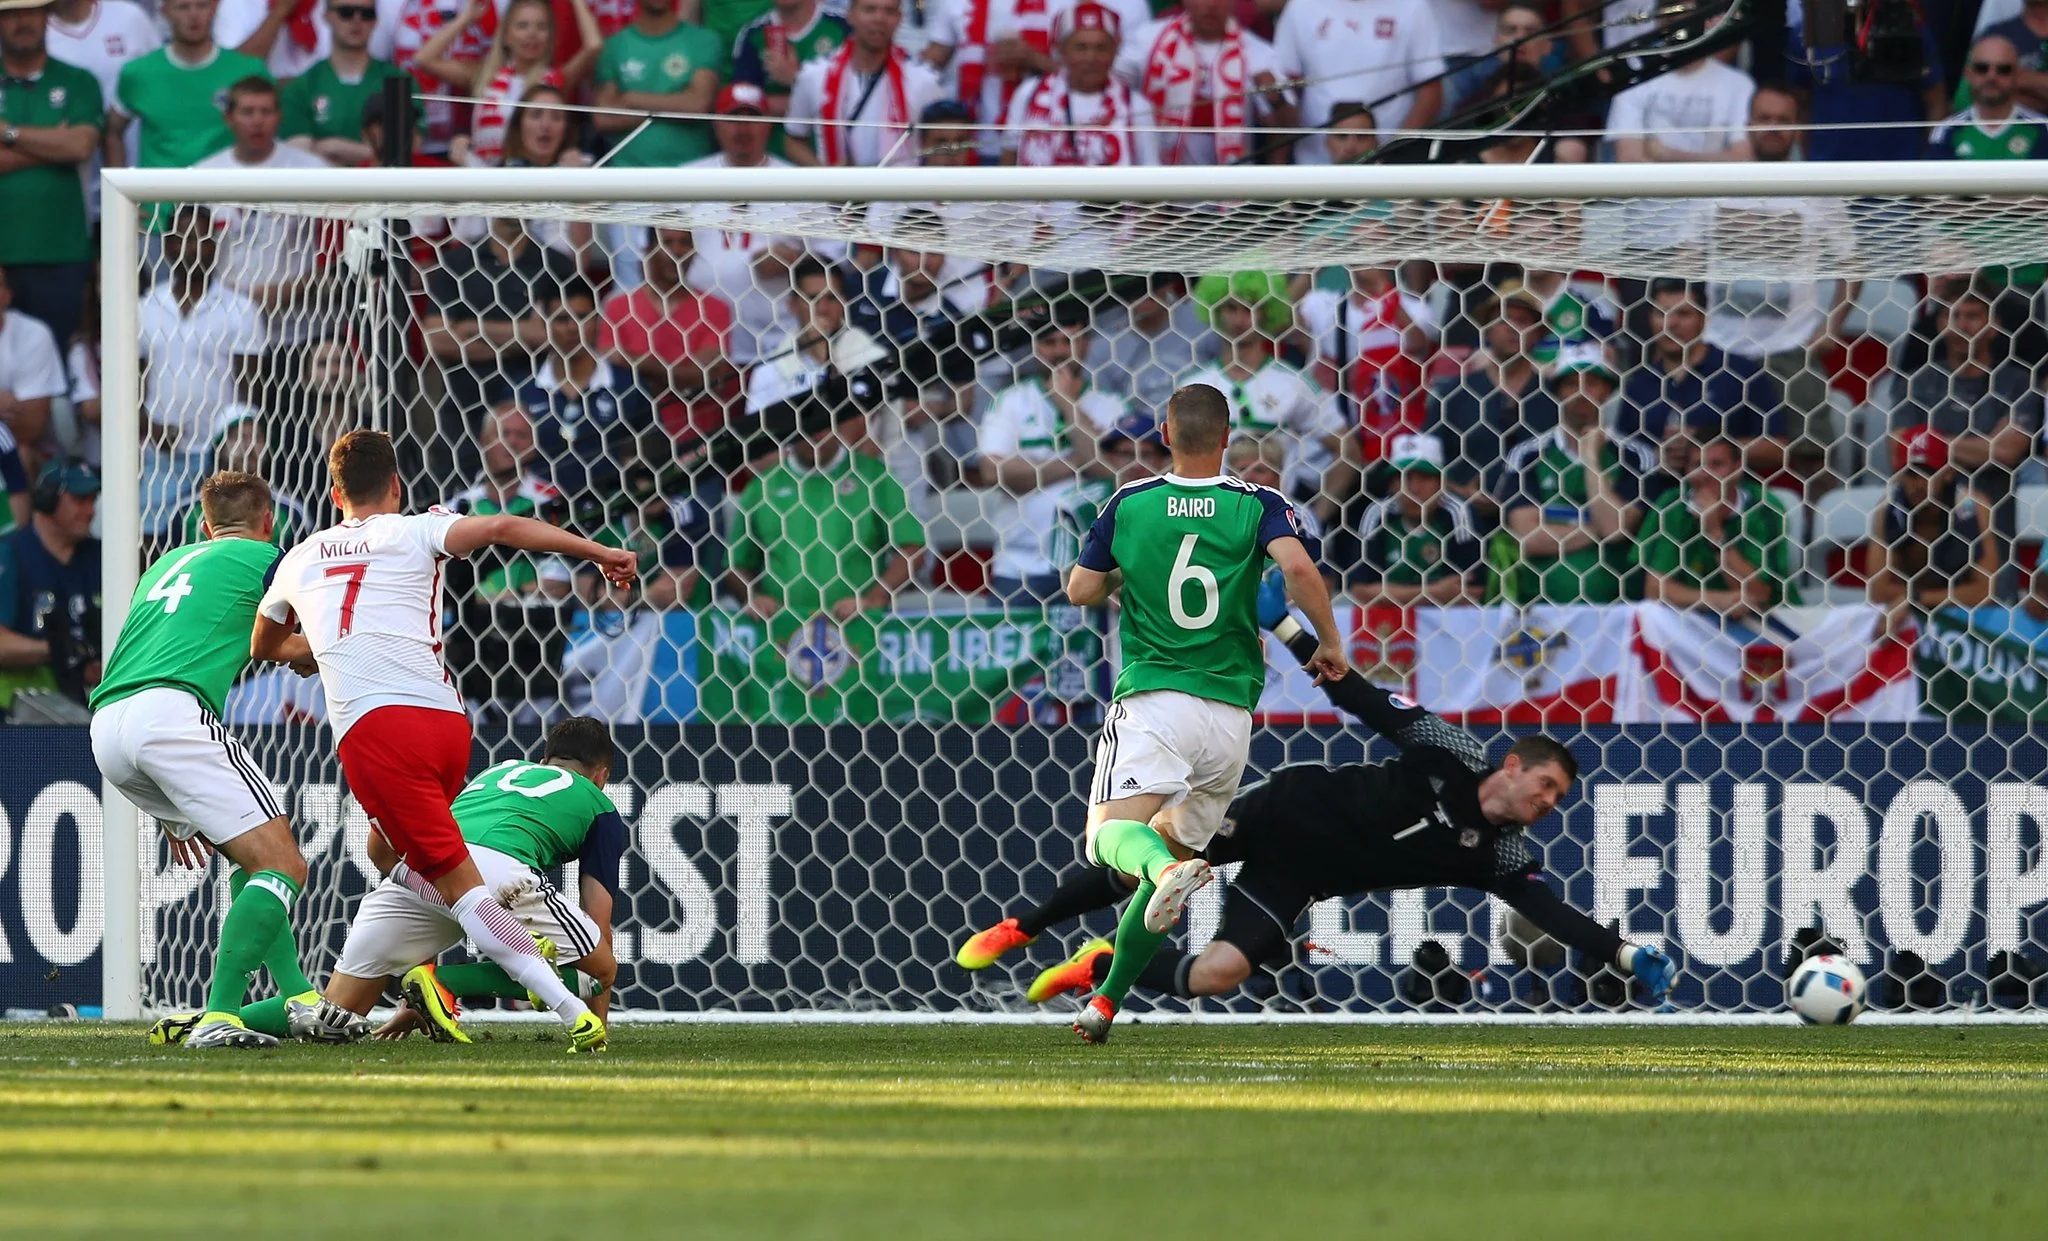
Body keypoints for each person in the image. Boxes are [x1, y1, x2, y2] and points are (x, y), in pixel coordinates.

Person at [957, 590, 1676, 1011]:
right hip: (1279, 810)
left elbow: (1554, 913)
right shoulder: (1451, 750)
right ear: (1514, 765)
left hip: (1297, 878)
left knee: (1220, 973)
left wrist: (1621, 951)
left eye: (1557, 798)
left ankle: (1100, 964)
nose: (1549, 801)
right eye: (1546, 785)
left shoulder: (1501, 853)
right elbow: (1358, 694)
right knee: (1147, 862)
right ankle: (1024, 925)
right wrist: (1288, 625)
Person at [252, 429, 636, 1053]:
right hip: (444, 723)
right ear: (396, 487)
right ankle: (411, 974)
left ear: (332, 493)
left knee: (467, 894)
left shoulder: (299, 558)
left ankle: (563, 1011)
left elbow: (262, 646)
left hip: (376, 732)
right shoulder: (418, 529)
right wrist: (596, 552)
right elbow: (506, 528)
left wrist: (314, 649)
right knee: (390, 863)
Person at [1059, 382, 1347, 1042]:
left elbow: (1080, 588)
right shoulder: (1258, 502)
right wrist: (1329, 642)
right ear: (1226, 440)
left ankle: (1163, 872)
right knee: (1170, 853)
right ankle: (1105, 1001)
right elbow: (1299, 569)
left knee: (1109, 838)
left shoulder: (1130, 502)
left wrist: (1129, 576)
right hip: (1230, 719)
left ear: (1164, 435)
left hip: (1158, 698)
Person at [89, 471, 340, 1050]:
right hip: (173, 715)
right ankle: (221, 1014)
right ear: (269, 520)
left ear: (205, 526)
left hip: (108, 726)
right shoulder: (274, 560)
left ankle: (298, 995)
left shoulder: (161, 567)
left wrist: (170, 810)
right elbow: (293, 644)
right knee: (287, 867)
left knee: (251, 858)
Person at [270, 718, 627, 1044]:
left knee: (332, 1016)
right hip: (499, 873)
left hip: (424, 868)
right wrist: (602, 1027)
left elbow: (433, 911)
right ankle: (447, 983)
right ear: (601, 776)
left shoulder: (499, 772)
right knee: (600, 969)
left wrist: (414, 1003)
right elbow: (598, 922)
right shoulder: (600, 807)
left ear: (543, 759)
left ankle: (227, 1018)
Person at [194, 76, 333, 411]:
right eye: (247, 111)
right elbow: (191, 254)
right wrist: (231, 300)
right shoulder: (202, 174)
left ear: (279, 116)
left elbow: (333, 252)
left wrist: (294, 289)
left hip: (299, 332)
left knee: (294, 442)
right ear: (229, 117)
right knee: (237, 437)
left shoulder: (312, 171)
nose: (257, 120)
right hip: (226, 332)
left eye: (266, 111)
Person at [1891, 282, 2034, 598]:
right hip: (1928, 508)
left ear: (1994, 325)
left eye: (1973, 315)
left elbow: (2008, 450)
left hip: (1996, 501)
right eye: (1954, 316)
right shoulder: (1919, 381)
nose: (1963, 324)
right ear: (1941, 324)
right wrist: (1982, 445)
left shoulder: (2016, 381)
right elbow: (1899, 450)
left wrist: (1932, 444)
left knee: (1994, 599)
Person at [976, 317, 1129, 605]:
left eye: (1068, 341)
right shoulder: (1011, 401)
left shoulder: (1112, 405)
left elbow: (1114, 474)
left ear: (1085, 344)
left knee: (1095, 650)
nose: (1060, 351)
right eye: (1049, 342)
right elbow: (992, 471)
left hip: (1094, 565)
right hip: (1020, 565)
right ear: (1035, 347)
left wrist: (1067, 404)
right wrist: (1078, 460)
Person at [138, 206, 266, 542]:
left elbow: (250, 391)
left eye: (202, 239)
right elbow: (129, 382)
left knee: (213, 543)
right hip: (161, 457)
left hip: (220, 458)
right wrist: (149, 427)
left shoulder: (242, 309)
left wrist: (232, 443)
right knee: (151, 541)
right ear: (167, 245)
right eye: (183, 238)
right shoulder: (147, 305)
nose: (192, 247)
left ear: (215, 246)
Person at [726, 408, 925, 621]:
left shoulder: (874, 477)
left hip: (858, 624)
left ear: (837, 425)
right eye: (808, 428)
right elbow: (736, 565)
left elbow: (912, 549)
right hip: (780, 626)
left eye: (824, 427)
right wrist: (753, 597)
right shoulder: (762, 487)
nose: (817, 435)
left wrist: (874, 598)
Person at [1497, 354, 1655, 606]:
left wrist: (1591, 458)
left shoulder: (1636, 456)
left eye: (1591, 383)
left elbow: (1614, 528)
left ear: (1607, 391)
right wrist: (1595, 530)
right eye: (1571, 384)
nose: (1581, 392)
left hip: (1617, 610)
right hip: (1540, 610)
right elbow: (1528, 539)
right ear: (1557, 392)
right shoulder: (1527, 454)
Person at [1179, 289, 1346, 514]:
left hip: (1276, 518)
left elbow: (1347, 450)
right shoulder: (1194, 386)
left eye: (1249, 309)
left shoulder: (1293, 383)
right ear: (1215, 311)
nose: (1239, 319)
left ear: (1266, 314)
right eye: (1231, 308)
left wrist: (1317, 518)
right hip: (1210, 520)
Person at [0, 0, 102, 349]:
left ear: (47, 16)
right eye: (10, 14)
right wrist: (51, 143)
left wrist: (8, 133)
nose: (21, 22)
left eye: (30, 11)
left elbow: (79, 147)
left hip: (61, 250)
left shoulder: (78, 80)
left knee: (61, 362)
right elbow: (66, 145)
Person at [1619, 281, 1789, 479]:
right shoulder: (1639, 385)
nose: (1670, 323)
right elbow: (1622, 453)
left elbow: (1778, 449)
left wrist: (1708, 445)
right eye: (1661, 313)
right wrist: (1655, 458)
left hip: (1728, 502)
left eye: (1683, 314)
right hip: (1657, 502)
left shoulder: (1740, 374)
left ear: (1704, 319)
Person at [417, 0, 598, 167]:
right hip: (486, 180)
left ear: (550, 36)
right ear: (505, 35)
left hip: (532, 179)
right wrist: (466, 18)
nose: (532, 34)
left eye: (541, 27)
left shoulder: (555, 80)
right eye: (522, 26)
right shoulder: (484, 75)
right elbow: (424, 59)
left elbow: (593, 46)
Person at [1638, 436, 1800, 620]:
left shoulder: (1764, 507)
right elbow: (1654, 590)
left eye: (1717, 464)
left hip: (1769, 620)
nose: (1705, 473)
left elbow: (1759, 595)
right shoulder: (1672, 504)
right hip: (1696, 617)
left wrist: (1714, 532)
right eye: (1697, 464)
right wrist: (1715, 600)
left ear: (1738, 467)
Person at [519, 280, 656, 493]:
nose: (573, 327)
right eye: (562, 319)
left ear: (598, 321)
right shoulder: (522, 391)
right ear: (546, 325)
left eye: (582, 318)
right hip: (540, 516)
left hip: (614, 513)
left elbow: (654, 454)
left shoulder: (629, 387)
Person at [1432, 281, 1560, 507]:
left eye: (1521, 320)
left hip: (1539, 522)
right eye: (1502, 319)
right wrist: (1460, 492)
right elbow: (1424, 463)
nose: (1511, 327)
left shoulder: (1556, 396)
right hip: (1466, 521)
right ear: (1486, 330)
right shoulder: (1454, 394)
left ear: (1537, 334)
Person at [1116, 0, 1284, 167]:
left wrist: (1276, 100)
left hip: (1231, 186)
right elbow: (1106, 81)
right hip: (1163, 181)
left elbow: (1286, 128)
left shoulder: (1258, 52)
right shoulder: (1149, 40)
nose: (1211, 5)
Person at [1271, 0, 1442, 163]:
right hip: (1313, 164)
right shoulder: (1301, 6)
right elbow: (1285, 87)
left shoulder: (1412, 6)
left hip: (1388, 170)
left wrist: (1395, 151)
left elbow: (1430, 91)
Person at [110, 0, 266, 176]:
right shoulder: (139, 73)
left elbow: (271, 133)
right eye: (183, 7)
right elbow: (113, 131)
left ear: (215, 8)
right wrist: (119, 194)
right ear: (165, 11)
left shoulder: (248, 71)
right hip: (161, 198)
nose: (193, 15)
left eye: (202, 6)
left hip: (225, 196)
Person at [1866, 428, 2000, 625]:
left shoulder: (1974, 508)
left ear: (1948, 473)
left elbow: (1983, 592)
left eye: (1928, 473)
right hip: (1905, 618)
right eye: (1911, 473)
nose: (1919, 484)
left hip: (1966, 619)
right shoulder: (1887, 510)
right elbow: (1878, 591)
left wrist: (1915, 599)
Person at [784, 0, 942, 167]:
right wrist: (827, 176)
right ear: (850, 15)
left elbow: (940, 142)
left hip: (902, 190)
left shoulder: (924, 80)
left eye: (889, 11)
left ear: (899, 18)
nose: (879, 18)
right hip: (837, 191)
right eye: (869, 9)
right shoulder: (814, 75)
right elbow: (793, 140)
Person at [0, 459, 100, 713]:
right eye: (80, 500)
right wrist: (58, 650)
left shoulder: (101, 556)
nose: (90, 510)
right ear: (47, 500)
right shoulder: (10, 555)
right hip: (25, 705)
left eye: (92, 500)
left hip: (94, 697)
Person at [1003, 3, 1156, 168]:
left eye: (1101, 48)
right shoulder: (1028, 93)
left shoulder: (1136, 106)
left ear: (1114, 51)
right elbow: (1009, 157)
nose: (1091, 58)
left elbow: (1150, 169)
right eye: (1080, 48)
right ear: (1062, 51)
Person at [1345, 431, 1484, 607]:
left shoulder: (1459, 513)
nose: (1413, 489)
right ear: (1391, 484)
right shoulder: (1376, 514)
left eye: (1424, 478)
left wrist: (1390, 593)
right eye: (1404, 478)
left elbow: (1471, 593)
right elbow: (1361, 591)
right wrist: (1433, 592)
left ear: (1442, 483)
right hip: (1388, 625)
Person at [283, 0, 419, 167]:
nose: (357, 20)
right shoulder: (302, 87)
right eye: (346, 12)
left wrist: (331, 147)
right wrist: (373, 152)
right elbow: (299, 155)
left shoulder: (398, 82)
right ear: (327, 16)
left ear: (376, 21)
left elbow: (408, 150)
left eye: (367, 14)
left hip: (385, 188)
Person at [590, 0, 725, 167]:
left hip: (690, 175)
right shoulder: (614, 46)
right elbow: (604, 117)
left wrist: (632, 99)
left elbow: (698, 104)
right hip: (627, 176)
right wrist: (674, 106)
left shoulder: (703, 41)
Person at [170, 407, 313, 547]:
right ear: (219, 447)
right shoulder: (186, 511)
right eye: (237, 437)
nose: (248, 444)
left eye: (256, 437)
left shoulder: (290, 512)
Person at [731, 0, 849, 140]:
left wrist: (797, 79)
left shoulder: (844, 26)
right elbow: (744, 108)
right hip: (772, 152)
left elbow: (852, 99)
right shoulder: (752, 34)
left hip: (829, 150)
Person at [0, 267, 67, 471]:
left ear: (7, 295)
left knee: (20, 454)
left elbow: (31, 426)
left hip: (30, 452)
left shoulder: (33, 334)